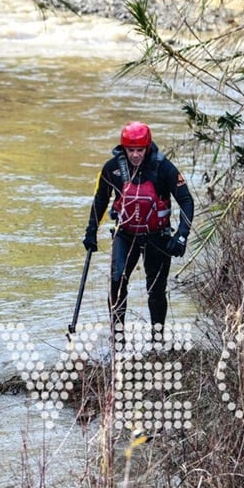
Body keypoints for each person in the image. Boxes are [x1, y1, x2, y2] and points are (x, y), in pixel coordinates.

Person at [83, 122, 194, 342]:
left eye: (139, 150)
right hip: (125, 234)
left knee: (156, 289)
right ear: (123, 148)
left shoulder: (164, 168)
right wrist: (91, 232)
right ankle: (118, 339)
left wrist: (181, 235)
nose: (135, 155)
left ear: (148, 147)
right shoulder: (112, 168)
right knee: (117, 281)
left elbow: (186, 201)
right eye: (130, 150)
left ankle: (158, 338)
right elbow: (101, 200)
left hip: (157, 236)